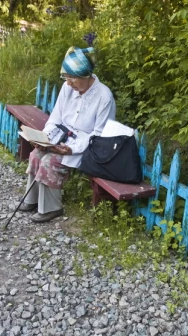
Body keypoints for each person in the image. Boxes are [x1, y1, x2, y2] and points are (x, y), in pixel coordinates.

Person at [19, 46, 116, 223]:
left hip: (86, 147)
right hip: (60, 138)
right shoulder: (67, 87)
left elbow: (99, 135)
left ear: (86, 76)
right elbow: (55, 118)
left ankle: (52, 208)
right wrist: (45, 138)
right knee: (36, 154)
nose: (69, 83)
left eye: (72, 79)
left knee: (50, 161)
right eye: (67, 78)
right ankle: (31, 200)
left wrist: (70, 149)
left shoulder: (104, 96)